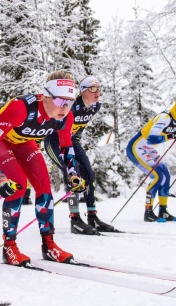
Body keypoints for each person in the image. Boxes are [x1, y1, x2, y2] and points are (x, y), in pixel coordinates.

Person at [0, 71, 86, 267]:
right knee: (17, 187)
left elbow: (65, 146)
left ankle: (49, 245)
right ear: (45, 96)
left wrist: (73, 174)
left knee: (45, 188)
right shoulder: (20, 108)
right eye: (61, 101)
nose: (65, 108)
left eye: (69, 102)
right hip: (0, 143)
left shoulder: (65, 117)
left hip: (24, 144)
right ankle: (9, 246)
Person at [44, 76, 121, 235]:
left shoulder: (95, 106)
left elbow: (78, 127)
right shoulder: (71, 105)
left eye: (99, 89)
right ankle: (75, 219)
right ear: (83, 91)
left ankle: (92, 216)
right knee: (74, 173)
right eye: (93, 89)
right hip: (54, 141)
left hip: (72, 141)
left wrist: (76, 139)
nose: (97, 93)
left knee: (89, 174)